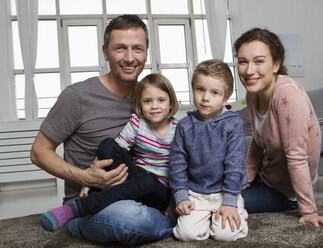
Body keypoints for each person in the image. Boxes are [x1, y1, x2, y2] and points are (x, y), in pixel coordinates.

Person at [31, 15, 175, 244]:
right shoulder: (76, 96)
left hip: (142, 192)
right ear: (106, 52)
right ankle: (167, 224)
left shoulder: (150, 98)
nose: (130, 57)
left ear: (146, 53)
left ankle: (165, 217)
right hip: (95, 201)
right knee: (130, 218)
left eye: (137, 49)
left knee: (139, 207)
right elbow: (39, 153)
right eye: (120, 48)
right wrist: (85, 176)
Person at [39, 73, 179, 232]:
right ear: (140, 104)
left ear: (171, 104)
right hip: (136, 178)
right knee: (108, 145)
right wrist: (88, 177)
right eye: (148, 101)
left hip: (159, 190)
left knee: (148, 180)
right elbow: (117, 147)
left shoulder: (179, 130)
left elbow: (181, 170)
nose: (154, 105)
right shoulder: (137, 123)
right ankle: (100, 197)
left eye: (161, 100)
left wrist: (174, 204)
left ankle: (79, 208)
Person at [233, 27, 323, 227]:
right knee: (214, 187)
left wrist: (309, 211)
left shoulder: (287, 95)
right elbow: (256, 142)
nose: (248, 70)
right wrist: (243, 181)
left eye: (259, 61)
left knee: (224, 204)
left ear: (276, 64)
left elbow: (298, 157)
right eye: (243, 61)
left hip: (283, 192)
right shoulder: (252, 94)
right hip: (263, 175)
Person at [169, 59, 248, 241]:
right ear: (193, 88)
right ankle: (202, 219)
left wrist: (229, 201)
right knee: (186, 234)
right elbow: (177, 164)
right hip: (195, 193)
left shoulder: (233, 123)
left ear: (226, 96)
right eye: (200, 90)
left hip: (224, 192)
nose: (205, 97)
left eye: (214, 92)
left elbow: (235, 164)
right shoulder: (184, 125)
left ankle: (237, 212)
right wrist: (181, 197)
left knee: (224, 235)